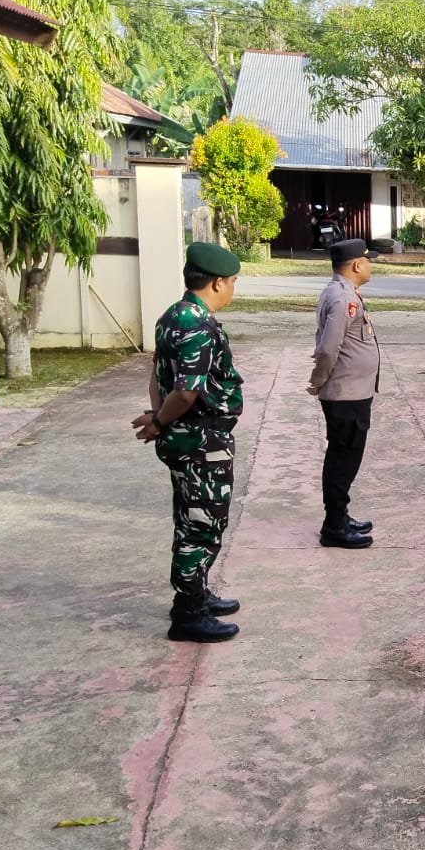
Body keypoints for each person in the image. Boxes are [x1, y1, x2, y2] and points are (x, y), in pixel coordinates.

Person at [130, 242, 245, 644]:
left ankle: (195, 594)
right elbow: (186, 391)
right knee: (203, 525)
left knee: (189, 519)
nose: (232, 289)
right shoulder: (198, 325)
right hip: (200, 441)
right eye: (232, 282)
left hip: (187, 437)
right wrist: (160, 420)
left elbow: (157, 375)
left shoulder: (172, 316)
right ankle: (189, 614)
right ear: (217, 283)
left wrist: (157, 416)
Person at [309, 237, 379, 551]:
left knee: (346, 457)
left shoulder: (343, 292)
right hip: (345, 393)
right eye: (368, 261)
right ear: (357, 265)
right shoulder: (342, 298)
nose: (371, 266)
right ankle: (334, 526)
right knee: (343, 459)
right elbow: (328, 349)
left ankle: (340, 516)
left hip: (353, 391)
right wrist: (318, 379)